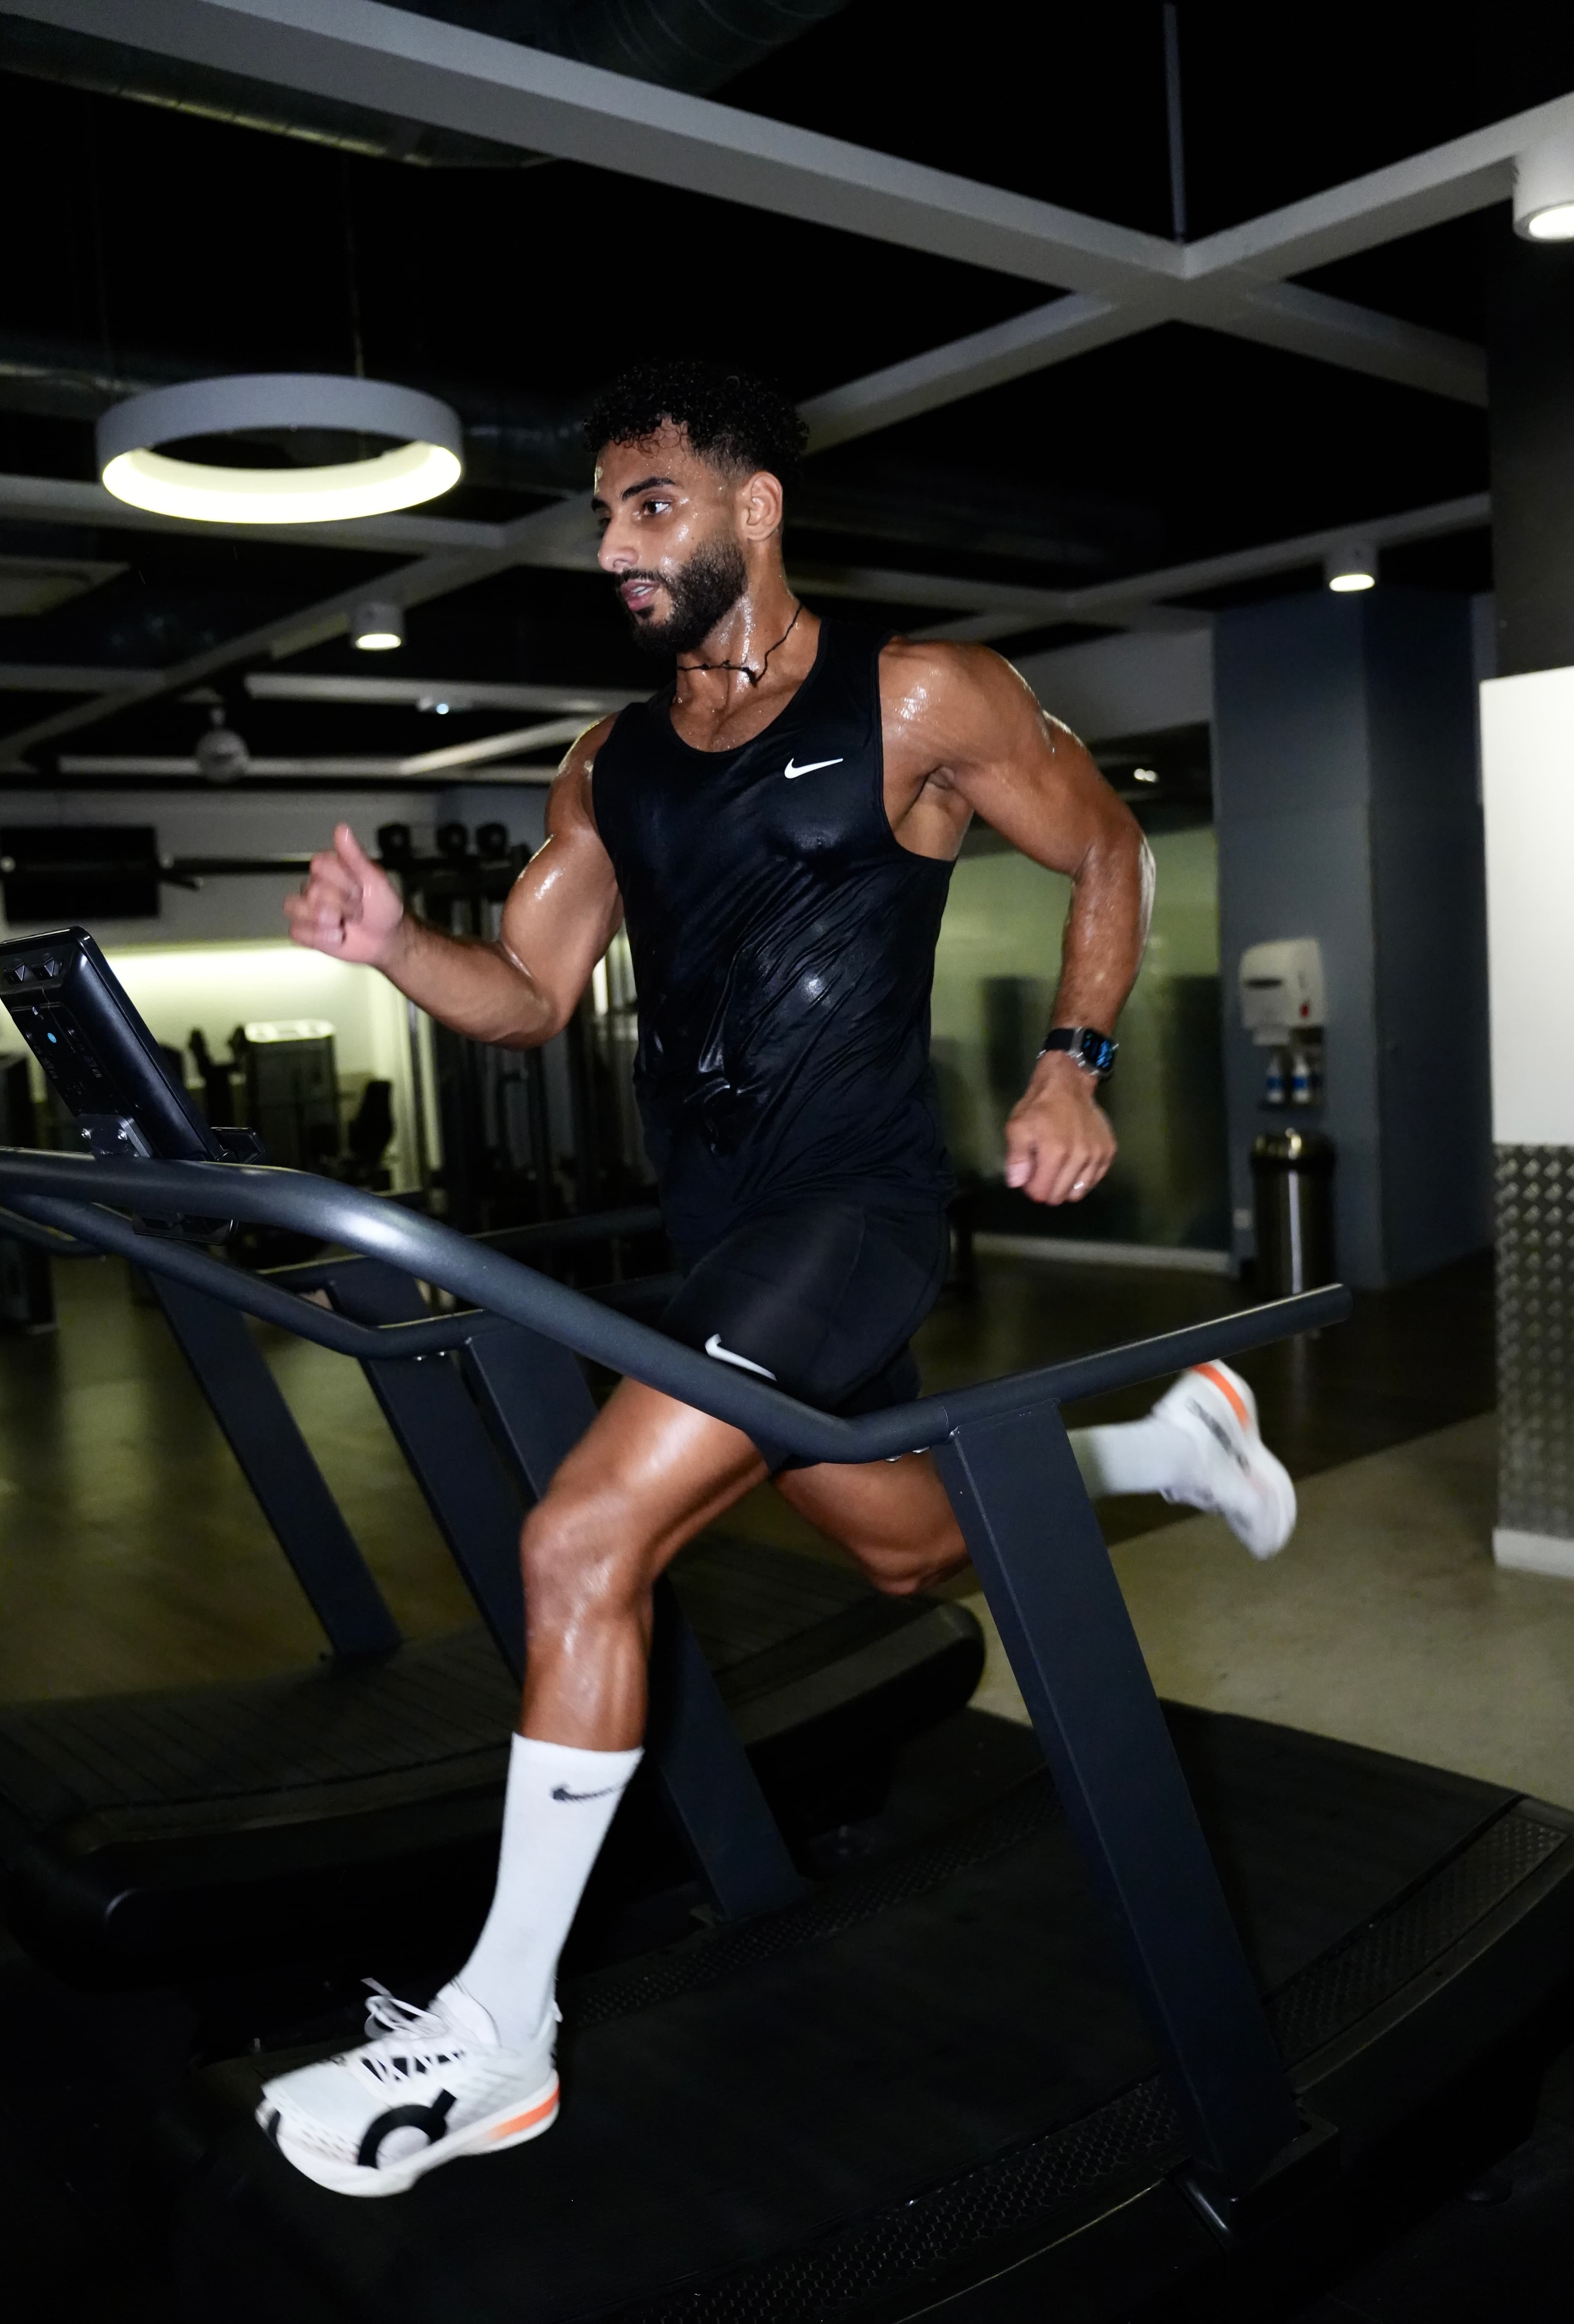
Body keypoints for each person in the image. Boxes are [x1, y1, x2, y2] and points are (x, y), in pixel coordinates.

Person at [262, 360, 1295, 2197]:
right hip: (724, 1235)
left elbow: (1108, 842)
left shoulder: (917, 695)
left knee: (583, 1543)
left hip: (860, 1211)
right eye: (602, 515)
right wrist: (395, 943)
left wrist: (1077, 1059)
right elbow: (528, 999)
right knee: (905, 1546)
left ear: (755, 509)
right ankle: (1164, 1457)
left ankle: (500, 2032)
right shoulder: (611, 760)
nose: (615, 547)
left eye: (649, 505)